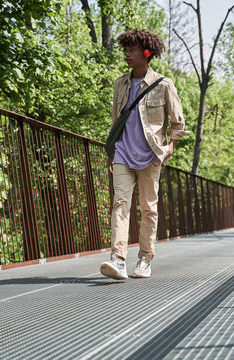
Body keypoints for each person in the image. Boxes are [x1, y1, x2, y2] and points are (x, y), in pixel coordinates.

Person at [100, 29, 189, 280]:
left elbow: (177, 122)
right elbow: (116, 120)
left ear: (147, 53)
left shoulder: (164, 85)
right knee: (120, 203)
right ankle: (118, 259)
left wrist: (170, 146)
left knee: (148, 208)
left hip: (150, 155)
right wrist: (111, 151)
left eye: (133, 51)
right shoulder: (120, 83)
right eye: (126, 50)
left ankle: (145, 258)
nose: (127, 55)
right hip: (122, 153)